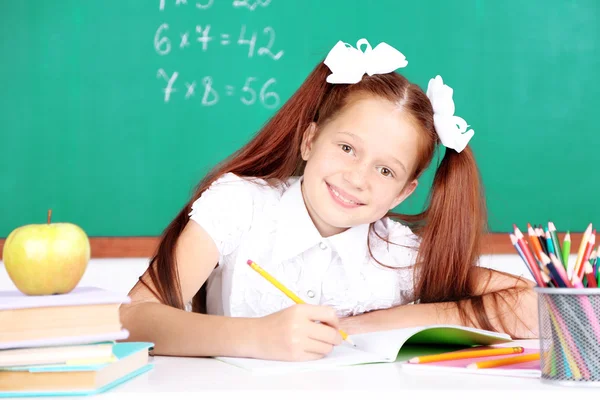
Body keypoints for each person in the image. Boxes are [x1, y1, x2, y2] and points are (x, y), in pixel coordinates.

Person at [120, 38, 538, 362]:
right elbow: (133, 319)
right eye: (346, 148)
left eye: (386, 170)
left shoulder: (397, 255)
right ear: (310, 140)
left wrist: (362, 326)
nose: (357, 178)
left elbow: (535, 308)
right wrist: (259, 337)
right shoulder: (240, 206)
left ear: (403, 192)